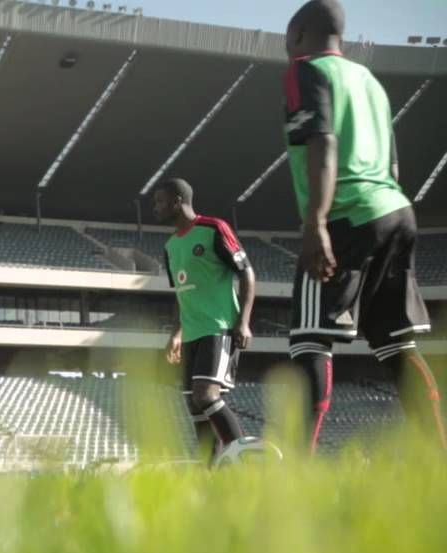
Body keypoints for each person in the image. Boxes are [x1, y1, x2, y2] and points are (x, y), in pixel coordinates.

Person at [283, 0, 443, 452]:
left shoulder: (305, 68)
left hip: (347, 213)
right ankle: (439, 462)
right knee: (396, 346)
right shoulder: (370, 82)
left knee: (310, 341)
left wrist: (316, 222)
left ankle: (296, 471)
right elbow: (392, 160)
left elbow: (323, 140)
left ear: (297, 34)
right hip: (395, 208)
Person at [154, 179, 257, 463]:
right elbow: (180, 294)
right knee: (195, 406)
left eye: (160, 202)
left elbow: (247, 272)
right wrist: (176, 333)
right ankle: (209, 473)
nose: (156, 208)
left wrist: (244, 322)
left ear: (177, 201)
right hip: (191, 335)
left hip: (218, 327)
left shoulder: (214, 228)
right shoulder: (170, 247)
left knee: (206, 395)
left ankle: (245, 458)